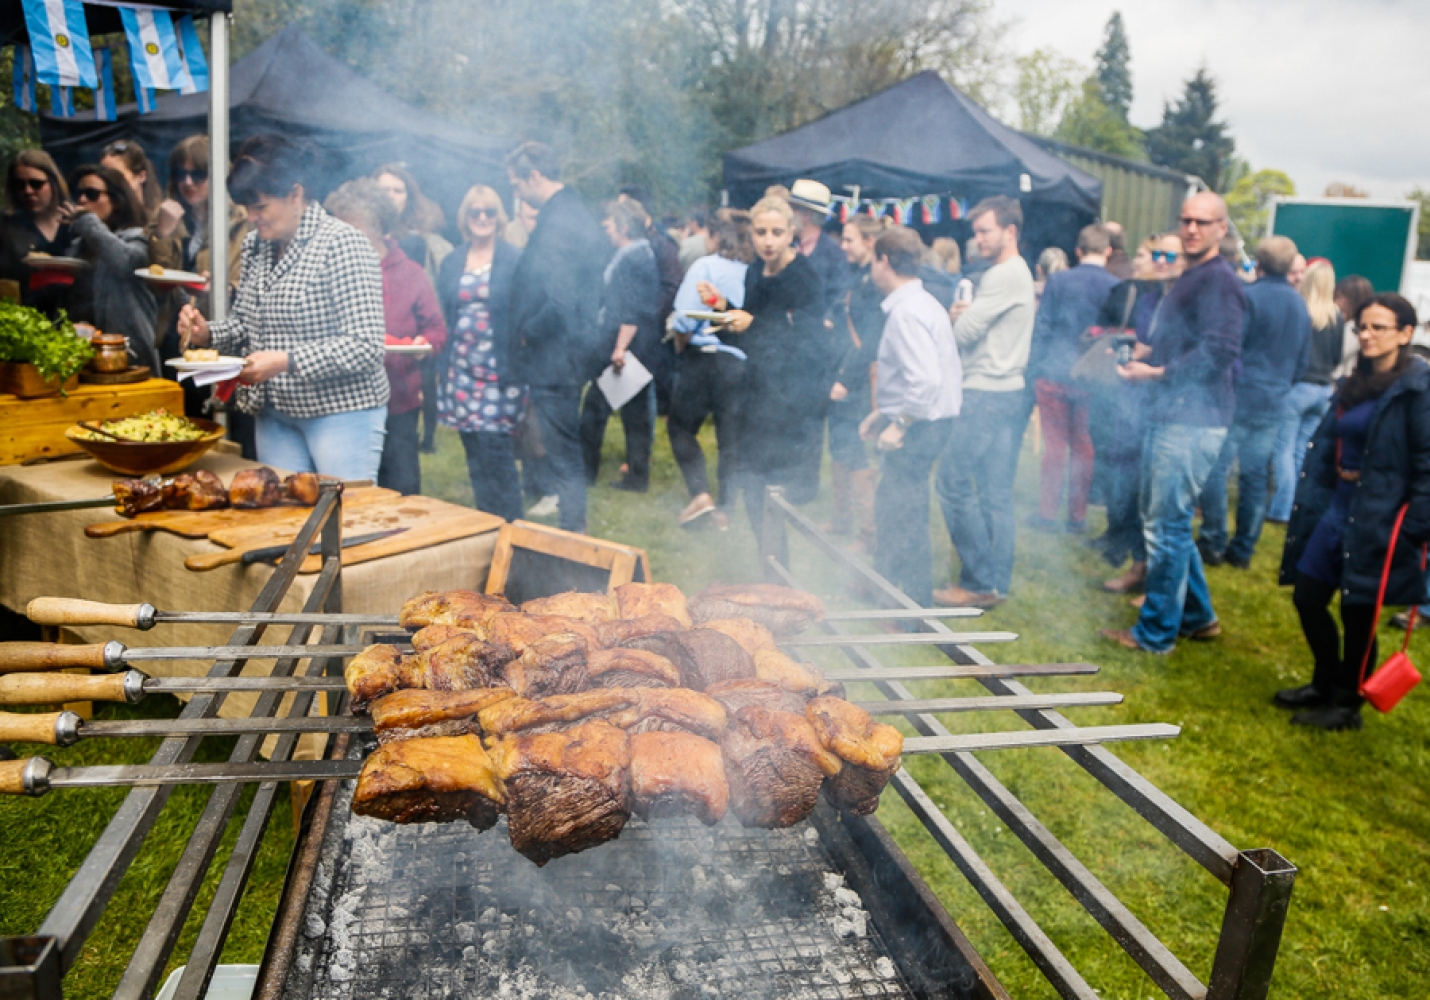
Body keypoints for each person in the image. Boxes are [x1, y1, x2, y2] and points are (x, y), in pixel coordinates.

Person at [176, 134, 389, 480]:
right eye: (247, 208)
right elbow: (246, 325)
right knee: (284, 520)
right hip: (273, 412)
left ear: (295, 194)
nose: (252, 217)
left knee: (345, 519)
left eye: (261, 207)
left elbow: (365, 346)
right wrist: (206, 333)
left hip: (341, 413)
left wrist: (287, 361)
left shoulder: (344, 244)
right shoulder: (254, 246)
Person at [1276, 294, 1430, 731]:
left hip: (1381, 515)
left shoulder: (1418, 389)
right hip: (1337, 507)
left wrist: (1416, 527)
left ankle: (1347, 704)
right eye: (1362, 326)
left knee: (1357, 614)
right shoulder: (1354, 380)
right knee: (1308, 596)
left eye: (1379, 327)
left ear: (1404, 333)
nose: (1366, 335)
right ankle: (1326, 680)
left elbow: (1428, 462)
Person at [1100, 192, 1244, 654]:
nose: (1191, 229)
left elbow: (1220, 350)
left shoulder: (1218, 281)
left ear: (1222, 229)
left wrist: (1157, 373)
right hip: (1176, 415)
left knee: (1165, 527)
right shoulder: (1193, 276)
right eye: (1186, 221)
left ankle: (1156, 633)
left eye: (1203, 222)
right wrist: (1143, 354)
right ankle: (1199, 617)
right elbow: (1184, 340)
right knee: (1172, 522)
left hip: (1192, 421)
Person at [700, 195, 830, 536]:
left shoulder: (804, 277)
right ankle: (765, 573)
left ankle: (778, 577)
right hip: (757, 394)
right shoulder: (754, 272)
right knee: (753, 490)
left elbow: (810, 347)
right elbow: (747, 337)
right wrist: (720, 309)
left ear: (791, 233)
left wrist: (750, 325)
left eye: (776, 232)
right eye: (761, 232)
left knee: (774, 496)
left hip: (791, 401)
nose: (768, 241)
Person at [933, 196, 1036, 609]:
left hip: (985, 393)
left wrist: (959, 315)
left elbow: (961, 335)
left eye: (984, 231)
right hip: (1006, 391)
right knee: (994, 492)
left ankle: (978, 582)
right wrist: (969, 313)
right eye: (975, 233)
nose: (977, 240)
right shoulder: (1015, 273)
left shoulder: (1003, 274)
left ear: (1010, 231)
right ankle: (995, 583)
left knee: (953, 484)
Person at [505, 141, 611, 534]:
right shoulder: (570, 213)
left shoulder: (559, 221)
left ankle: (573, 533)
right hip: (566, 353)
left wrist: (527, 332)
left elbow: (562, 297)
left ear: (535, 176)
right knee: (564, 450)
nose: (517, 193)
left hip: (556, 357)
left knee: (563, 453)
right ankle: (573, 529)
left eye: (517, 184)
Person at [858, 227, 962, 607]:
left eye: (873, 260)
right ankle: (885, 590)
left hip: (922, 426)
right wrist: (882, 414)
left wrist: (899, 425)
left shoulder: (908, 313)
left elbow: (925, 381)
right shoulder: (921, 303)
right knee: (893, 506)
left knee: (905, 514)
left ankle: (912, 607)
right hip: (925, 420)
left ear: (883, 261)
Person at [325, 178, 445, 497]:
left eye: (352, 227)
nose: (341, 236)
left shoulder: (411, 273)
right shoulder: (327, 269)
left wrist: (423, 346)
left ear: (377, 226)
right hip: (341, 403)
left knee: (401, 489)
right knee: (350, 493)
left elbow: (436, 330)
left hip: (398, 402)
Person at [1197, 235, 1312, 568]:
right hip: (1275, 398)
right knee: (1256, 475)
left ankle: (1214, 541)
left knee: (1217, 469)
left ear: (1258, 263)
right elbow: (1302, 360)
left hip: (1241, 396)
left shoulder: (1248, 298)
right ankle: (1243, 549)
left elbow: (1233, 349)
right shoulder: (1299, 305)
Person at [1092, 233, 1183, 594]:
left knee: (1156, 504)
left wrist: (1154, 368)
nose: (1157, 261)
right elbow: (1153, 343)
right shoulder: (1149, 298)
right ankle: (1139, 564)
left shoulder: (1186, 302)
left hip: (1166, 408)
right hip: (1134, 404)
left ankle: (1156, 584)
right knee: (1125, 491)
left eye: (1165, 254)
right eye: (1153, 254)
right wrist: (1135, 354)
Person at [437, 184, 524, 521]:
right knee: (474, 453)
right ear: (466, 217)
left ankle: (512, 529)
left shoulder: (514, 259)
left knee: (497, 453)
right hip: (460, 369)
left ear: (499, 217)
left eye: (489, 211)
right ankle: (487, 524)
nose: (483, 217)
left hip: (499, 371)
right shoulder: (453, 260)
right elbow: (446, 311)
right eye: (476, 211)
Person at [1027, 223, 1120, 534]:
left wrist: (1034, 367)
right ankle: (1077, 517)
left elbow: (1044, 326)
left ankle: (1047, 514)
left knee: (1055, 446)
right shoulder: (1115, 285)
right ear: (1108, 251)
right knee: (1083, 445)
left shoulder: (1060, 280)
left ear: (1078, 251)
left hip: (1054, 373)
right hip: (1092, 379)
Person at [669, 211, 752, 529]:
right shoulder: (753, 271)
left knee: (680, 427)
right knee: (730, 438)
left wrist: (680, 346)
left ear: (716, 237)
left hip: (703, 358)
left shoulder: (706, 266)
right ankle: (726, 510)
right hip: (739, 362)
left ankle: (700, 494)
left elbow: (685, 318)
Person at [580, 200, 662, 493]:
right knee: (635, 414)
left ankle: (587, 473)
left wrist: (619, 349)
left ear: (624, 227)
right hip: (641, 347)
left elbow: (630, 309)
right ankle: (637, 477)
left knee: (594, 410)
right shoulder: (643, 253)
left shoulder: (631, 258)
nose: (607, 231)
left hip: (627, 347)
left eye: (611, 225)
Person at [373, 164, 452, 455]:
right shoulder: (347, 244)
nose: (392, 196)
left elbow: (414, 283)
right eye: (385, 189)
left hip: (404, 360)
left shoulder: (412, 243)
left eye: (398, 190)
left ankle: (428, 438)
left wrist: (423, 338)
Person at [823, 214, 888, 549]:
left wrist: (847, 379)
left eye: (849, 240)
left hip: (860, 379)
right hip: (843, 371)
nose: (843, 246)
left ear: (870, 242)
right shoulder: (856, 275)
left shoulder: (874, 281)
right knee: (839, 445)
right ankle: (841, 518)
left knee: (858, 452)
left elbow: (872, 337)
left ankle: (869, 531)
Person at [1268, 261, 1345, 523]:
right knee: (1302, 451)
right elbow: (1337, 357)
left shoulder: (1299, 310)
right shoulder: (1337, 316)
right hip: (1323, 389)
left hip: (1298, 387)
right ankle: (1294, 506)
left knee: (1283, 450)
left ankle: (1279, 509)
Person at [61, 165, 158, 370]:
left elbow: (124, 262)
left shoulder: (137, 240)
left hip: (129, 360)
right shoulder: (77, 247)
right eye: (78, 194)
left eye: (92, 194)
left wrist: (86, 220)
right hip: (84, 358)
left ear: (116, 200)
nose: (82, 201)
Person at [0, 150, 74, 315]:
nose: (28, 191)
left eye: (36, 184)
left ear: (53, 183)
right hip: (23, 318)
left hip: (75, 317)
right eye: (20, 185)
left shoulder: (75, 222)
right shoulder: (7, 225)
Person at [787, 179, 848, 314]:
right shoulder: (788, 245)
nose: (788, 214)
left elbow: (837, 297)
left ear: (806, 214)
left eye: (792, 208)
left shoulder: (834, 253)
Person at [679, 206, 710, 271]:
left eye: (688, 222)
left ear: (694, 223)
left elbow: (680, 262)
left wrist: (684, 239)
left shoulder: (687, 244)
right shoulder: (712, 241)